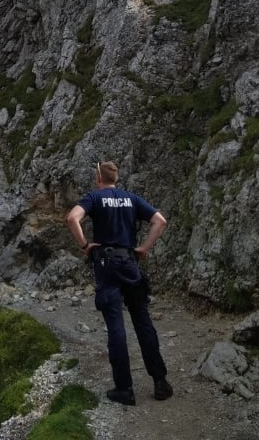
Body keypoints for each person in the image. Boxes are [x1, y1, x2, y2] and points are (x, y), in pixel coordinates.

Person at [67, 160, 173, 406]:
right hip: (130, 263)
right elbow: (161, 221)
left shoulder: (94, 197)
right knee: (142, 321)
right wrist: (144, 248)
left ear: (98, 178)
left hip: (106, 265)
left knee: (116, 326)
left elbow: (73, 218)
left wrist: (85, 246)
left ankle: (124, 389)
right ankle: (160, 382)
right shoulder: (131, 198)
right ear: (115, 179)